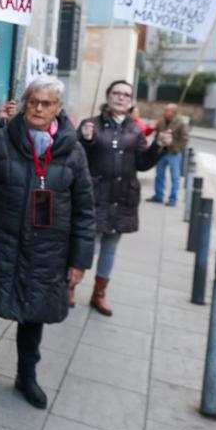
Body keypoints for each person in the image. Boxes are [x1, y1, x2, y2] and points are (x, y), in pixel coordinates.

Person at [0, 76, 96, 408]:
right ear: (25, 103)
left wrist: (79, 261)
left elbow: (85, 212)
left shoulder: (73, 153)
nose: (38, 108)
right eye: (33, 101)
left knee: (34, 320)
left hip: (48, 254)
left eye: (46, 103)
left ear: (58, 109)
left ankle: (26, 377)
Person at [77, 80, 172, 315]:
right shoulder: (92, 124)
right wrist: (85, 140)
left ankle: (99, 294)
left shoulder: (135, 129)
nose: (121, 97)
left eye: (126, 95)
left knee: (110, 246)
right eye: (116, 93)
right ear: (107, 96)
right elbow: (78, 158)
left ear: (131, 101)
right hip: (95, 194)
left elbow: (142, 163)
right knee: (88, 243)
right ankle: (71, 284)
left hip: (121, 197)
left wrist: (158, 147)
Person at [150, 102, 190, 206]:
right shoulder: (162, 121)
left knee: (175, 177)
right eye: (164, 110)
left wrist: (176, 148)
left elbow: (185, 139)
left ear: (173, 112)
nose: (164, 112)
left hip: (173, 153)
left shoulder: (180, 123)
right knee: (159, 175)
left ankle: (173, 199)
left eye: (167, 110)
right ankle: (159, 196)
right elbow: (156, 134)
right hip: (162, 152)